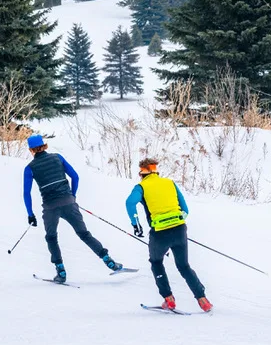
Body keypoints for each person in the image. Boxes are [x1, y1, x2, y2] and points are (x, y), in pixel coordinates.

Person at [23, 134, 123, 283]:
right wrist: (72, 196)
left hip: (50, 207)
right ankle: (108, 260)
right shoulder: (58, 158)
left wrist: (30, 214)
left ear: (31, 149)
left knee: (51, 237)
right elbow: (75, 177)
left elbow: (26, 193)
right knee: (84, 234)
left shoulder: (29, 168)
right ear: (44, 145)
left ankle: (61, 271)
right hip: (69, 202)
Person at [125, 158, 212, 312]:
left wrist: (136, 224)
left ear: (142, 173)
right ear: (156, 171)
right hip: (179, 230)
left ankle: (169, 299)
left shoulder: (141, 187)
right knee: (184, 266)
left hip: (159, 234)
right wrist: (175, 223)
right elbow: (185, 210)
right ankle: (203, 300)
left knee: (156, 262)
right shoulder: (169, 183)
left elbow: (130, 203)